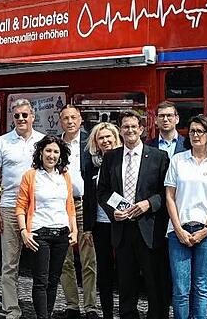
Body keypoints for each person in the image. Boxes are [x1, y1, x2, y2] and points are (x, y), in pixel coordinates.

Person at [97, 110, 171, 319]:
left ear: (141, 129)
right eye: (125, 126)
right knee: (125, 282)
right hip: (122, 228)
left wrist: (149, 204)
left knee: (154, 281)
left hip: (149, 227)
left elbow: (166, 192)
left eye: (133, 126)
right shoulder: (111, 157)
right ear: (120, 130)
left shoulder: (158, 156)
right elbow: (103, 191)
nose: (130, 130)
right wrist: (114, 211)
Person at [165, 115, 207, 319]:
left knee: (201, 285)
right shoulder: (178, 160)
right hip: (179, 229)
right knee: (181, 289)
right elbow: (169, 196)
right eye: (192, 131)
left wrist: (206, 229)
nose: (195, 135)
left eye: (200, 131)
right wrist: (178, 229)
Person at [0, 98, 45, 319]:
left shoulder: (43, 141)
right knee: (9, 264)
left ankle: (41, 309)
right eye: (17, 115)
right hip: (10, 207)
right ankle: (11, 310)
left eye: (25, 115)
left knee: (40, 264)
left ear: (33, 116)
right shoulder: (2, 142)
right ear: (12, 118)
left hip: (38, 210)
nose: (21, 119)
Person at [16, 135, 78, 319]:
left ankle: (47, 315)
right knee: (40, 281)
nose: (52, 155)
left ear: (61, 155)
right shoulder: (31, 175)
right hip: (39, 234)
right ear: (41, 152)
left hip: (61, 234)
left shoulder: (65, 176)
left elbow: (70, 206)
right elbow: (20, 206)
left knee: (53, 280)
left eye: (56, 152)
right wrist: (24, 232)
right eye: (48, 151)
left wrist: (74, 230)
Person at [57, 105, 97, 319]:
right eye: (66, 118)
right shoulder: (55, 144)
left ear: (81, 120)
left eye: (74, 117)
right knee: (65, 260)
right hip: (61, 207)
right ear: (60, 121)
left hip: (84, 205)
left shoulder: (89, 141)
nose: (70, 121)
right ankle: (72, 305)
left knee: (88, 258)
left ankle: (90, 306)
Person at [82, 122, 121, 319]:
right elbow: (88, 198)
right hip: (100, 224)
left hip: (121, 223)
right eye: (101, 138)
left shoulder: (124, 160)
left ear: (116, 138)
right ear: (96, 142)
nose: (105, 141)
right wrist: (87, 228)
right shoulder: (91, 165)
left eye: (108, 137)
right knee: (104, 272)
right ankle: (107, 313)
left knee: (124, 271)